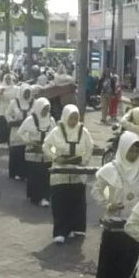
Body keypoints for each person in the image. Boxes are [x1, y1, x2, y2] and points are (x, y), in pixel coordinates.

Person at [92, 131, 139, 278]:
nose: (133, 155)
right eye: (130, 151)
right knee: (111, 256)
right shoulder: (111, 168)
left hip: (134, 224)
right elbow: (96, 190)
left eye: (136, 151)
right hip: (114, 222)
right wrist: (107, 204)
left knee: (129, 259)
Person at [43, 104, 93, 244]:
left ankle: (76, 228)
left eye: (76, 118)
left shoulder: (84, 132)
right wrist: (55, 157)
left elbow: (89, 148)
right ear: (65, 117)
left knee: (76, 202)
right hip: (60, 174)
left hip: (77, 174)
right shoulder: (56, 131)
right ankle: (60, 231)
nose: (74, 121)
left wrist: (84, 160)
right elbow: (47, 146)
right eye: (71, 118)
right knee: (60, 203)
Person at [18, 97, 55, 207]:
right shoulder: (30, 120)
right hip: (33, 151)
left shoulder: (51, 120)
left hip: (47, 151)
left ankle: (45, 197)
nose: (46, 111)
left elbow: (55, 134)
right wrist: (29, 141)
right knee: (34, 174)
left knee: (46, 174)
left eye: (48, 109)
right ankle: (34, 196)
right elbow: (20, 132)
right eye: (44, 109)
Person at [5, 85, 33, 180]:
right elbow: (7, 113)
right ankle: (14, 172)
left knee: (26, 153)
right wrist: (12, 121)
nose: (27, 94)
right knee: (16, 152)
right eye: (25, 92)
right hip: (16, 130)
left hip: (28, 132)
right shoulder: (14, 102)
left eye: (28, 92)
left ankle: (24, 174)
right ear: (21, 92)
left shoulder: (34, 103)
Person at [0, 73, 17, 145]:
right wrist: (0, 92)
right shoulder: (1, 87)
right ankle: (5, 140)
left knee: (11, 126)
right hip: (4, 108)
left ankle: (10, 141)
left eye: (9, 79)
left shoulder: (15, 88)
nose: (8, 80)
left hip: (12, 109)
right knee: (4, 126)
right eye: (6, 79)